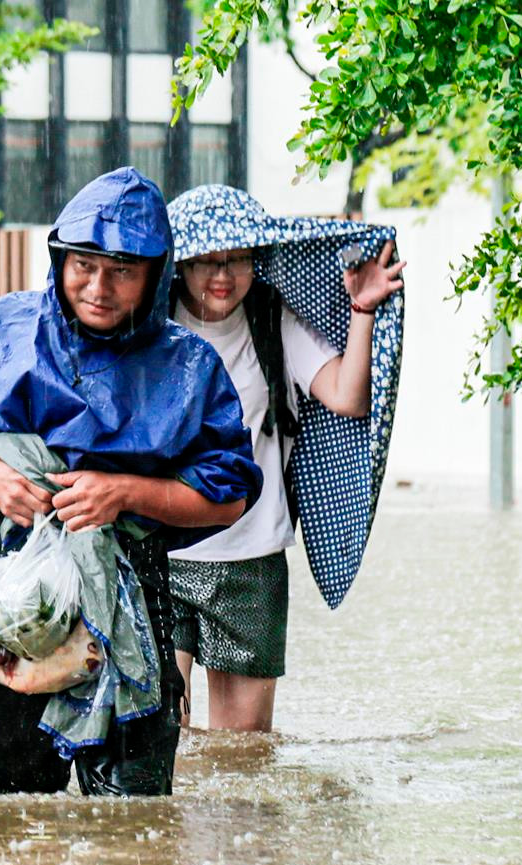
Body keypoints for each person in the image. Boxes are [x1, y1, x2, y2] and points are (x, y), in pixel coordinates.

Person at [0, 167, 261, 796]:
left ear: (155, 274)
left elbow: (229, 496)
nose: (98, 287)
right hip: (8, 587)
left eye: (122, 271)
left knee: (134, 833)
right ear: (59, 259)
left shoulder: (190, 365)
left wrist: (126, 493)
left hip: (131, 592)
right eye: (84, 265)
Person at [165, 185, 406, 733]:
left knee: (243, 755)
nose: (221, 275)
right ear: (181, 263)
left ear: (259, 260)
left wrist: (363, 309)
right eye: (206, 261)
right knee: (162, 742)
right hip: (163, 554)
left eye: (238, 259)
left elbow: (348, 396)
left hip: (252, 559)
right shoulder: (153, 325)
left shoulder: (274, 321)